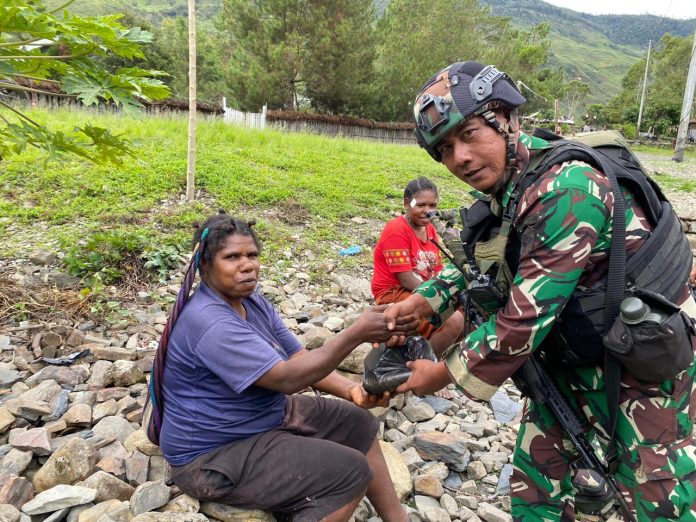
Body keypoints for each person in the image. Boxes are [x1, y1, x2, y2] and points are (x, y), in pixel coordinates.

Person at [382, 61, 696, 520]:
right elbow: (490, 264)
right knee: (538, 489)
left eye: (469, 135)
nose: (459, 158)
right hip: (570, 358)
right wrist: (425, 299)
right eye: (445, 149)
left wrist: (442, 373)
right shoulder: (508, 187)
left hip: (638, 367)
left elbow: (522, 319)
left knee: (655, 498)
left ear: (507, 118)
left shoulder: (566, 186)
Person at [156, 211, 417, 522]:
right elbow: (288, 378)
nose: (247, 265)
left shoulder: (252, 303)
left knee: (357, 423)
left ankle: (397, 518)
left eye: (252, 254)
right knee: (348, 473)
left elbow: (296, 358)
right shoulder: (210, 322)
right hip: (212, 455)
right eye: (232, 257)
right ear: (205, 265)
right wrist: (355, 333)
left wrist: (352, 390)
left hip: (259, 419)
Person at [371, 176, 464, 356]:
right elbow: (405, 279)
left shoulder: (429, 229)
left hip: (422, 288)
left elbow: (436, 269)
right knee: (452, 321)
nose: (427, 211)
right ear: (407, 203)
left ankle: (436, 361)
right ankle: (423, 366)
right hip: (394, 292)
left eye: (432, 206)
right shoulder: (396, 230)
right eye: (420, 205)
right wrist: (438, 296)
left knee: (466, 312)